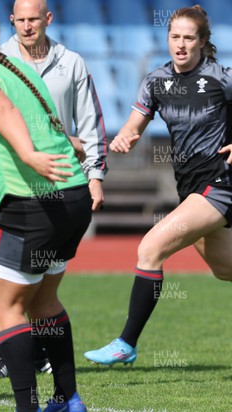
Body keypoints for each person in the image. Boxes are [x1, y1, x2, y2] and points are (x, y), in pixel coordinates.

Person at [0, 0, 107, 380]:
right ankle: (64, 395)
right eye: (23, 19)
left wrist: (32, 154)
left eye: (36, 18)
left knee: (7, 302)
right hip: (64, 187)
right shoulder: (18, 69)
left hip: (27, 191)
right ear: (10, 24)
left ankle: (22, 383)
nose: (29, 25)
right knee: (41, 299)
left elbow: (6, 112)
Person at [84, 5, 232, 366]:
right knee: (224, 268)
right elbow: (134, 126)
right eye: (175, 37)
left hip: (221, 182)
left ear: (202, 42)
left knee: (151, 248)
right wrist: (125, 138)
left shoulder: (221, 77)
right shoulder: (155, 81)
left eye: (189, 38)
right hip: (190, 187)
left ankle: (126, 343)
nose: (180, 45)